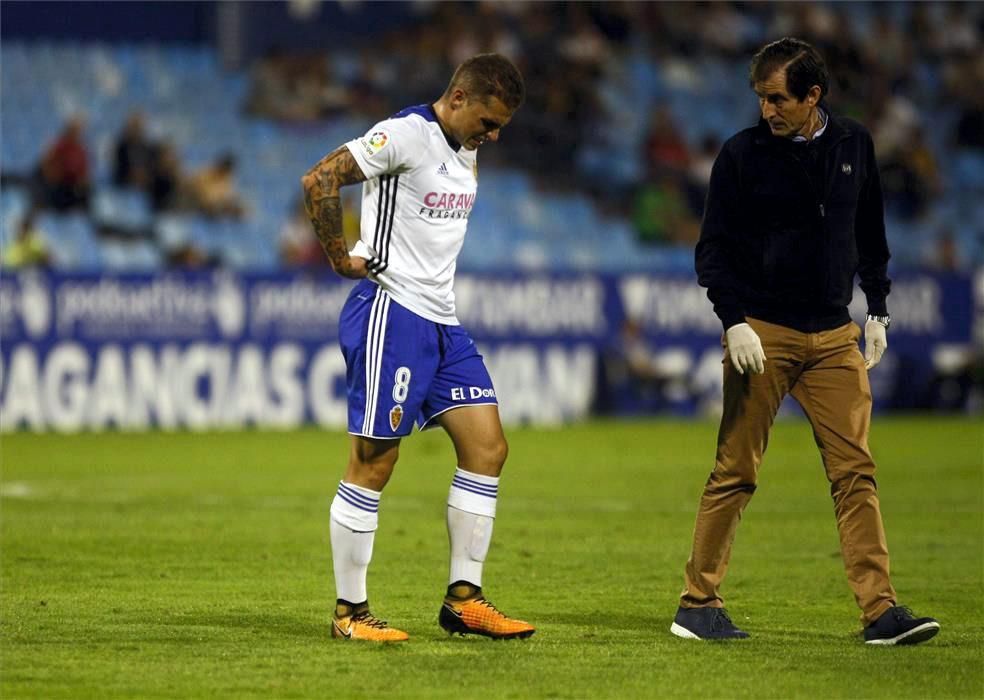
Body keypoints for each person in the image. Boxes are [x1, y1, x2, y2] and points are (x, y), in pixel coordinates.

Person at [670, 38, 940, 645]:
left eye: (777, 98)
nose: (767, 110)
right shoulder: (741, 155)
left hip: (835, 334)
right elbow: (712, 249)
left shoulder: (854, 144)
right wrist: (732, 318)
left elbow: (871, 234)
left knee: (856, 473)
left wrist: (879, 309)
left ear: (812, 96)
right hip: (763, 332)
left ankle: (879, 612)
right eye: (762, 99)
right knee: (735, 470)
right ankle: (697, 602)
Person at [300, 53, 534, 642]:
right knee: (375, 459)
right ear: (457, 98)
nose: (494, 134)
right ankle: (349, 614)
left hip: (442, 321)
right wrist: (340, 255)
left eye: (501, 125)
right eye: (487, 121)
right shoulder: (408, 135)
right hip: (391, 311)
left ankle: (464, 601)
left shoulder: (467, 149)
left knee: (488, 448)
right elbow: (321, 179)